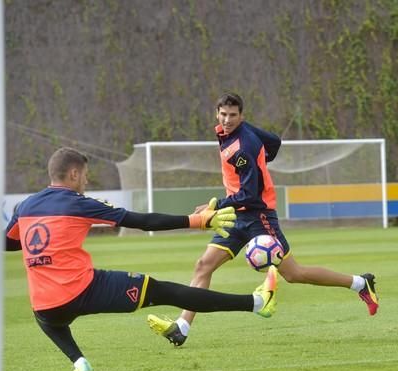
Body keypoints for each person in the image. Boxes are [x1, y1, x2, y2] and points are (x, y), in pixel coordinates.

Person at [4, 147, 279, 371]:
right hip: (85, 289)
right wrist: (198, 221)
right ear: (74, 174)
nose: (86, 180)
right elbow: (143, 221)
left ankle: (79, 362)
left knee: (48, 321)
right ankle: (256, 303)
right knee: (166, 292)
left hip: (46, 305)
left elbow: (9, 243)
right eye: (85, 175)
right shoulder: (80, 203)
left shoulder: (24, 206)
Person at [147, 92, 379, 347]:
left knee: (294, 274)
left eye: (233, 115)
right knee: (204, 265)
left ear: (241, 115)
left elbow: (250, 195)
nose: (227, 120)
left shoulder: (243, 146)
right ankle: (182, 326)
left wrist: (215, 205)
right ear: (217, 113)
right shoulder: (233, 132)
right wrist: (259, 164)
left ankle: (359, 283)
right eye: (223, 114)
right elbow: (275, 142)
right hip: (237, 214)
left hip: (258, 215)